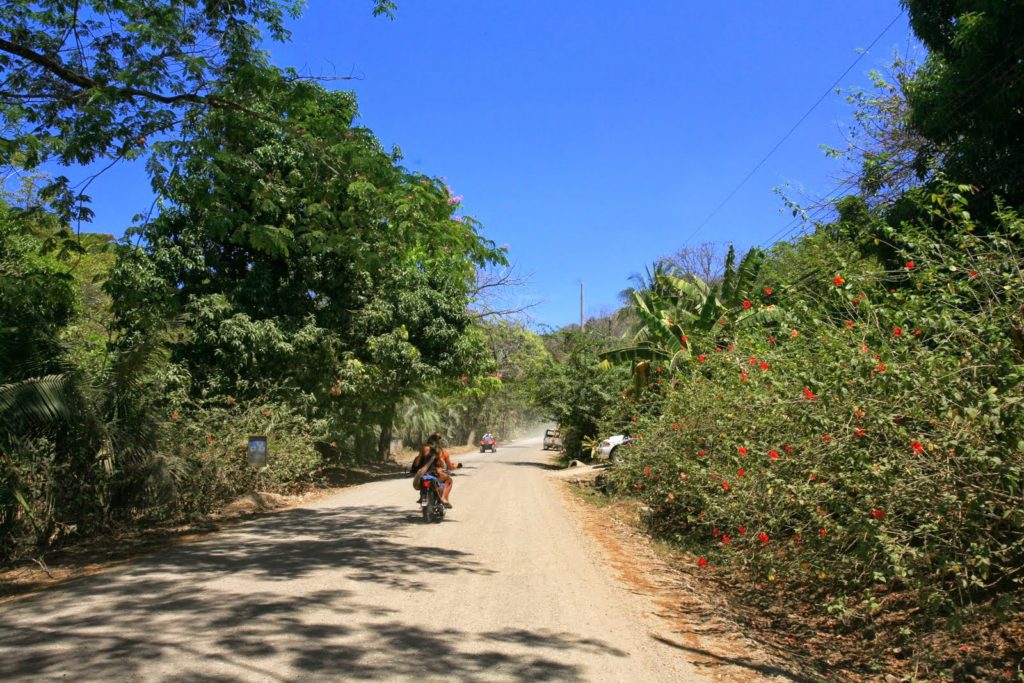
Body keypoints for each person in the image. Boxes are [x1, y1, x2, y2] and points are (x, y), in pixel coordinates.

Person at [412, 432, 456, 508]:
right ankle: (444, 498)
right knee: (449, 480)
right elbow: (445, 465)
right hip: (435, 474)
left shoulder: (425, 449)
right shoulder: (442, 452)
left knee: (424, 482)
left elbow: (417, 462)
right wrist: (456, 466)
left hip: (424, 474)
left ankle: (422, 497)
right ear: (440, 441)